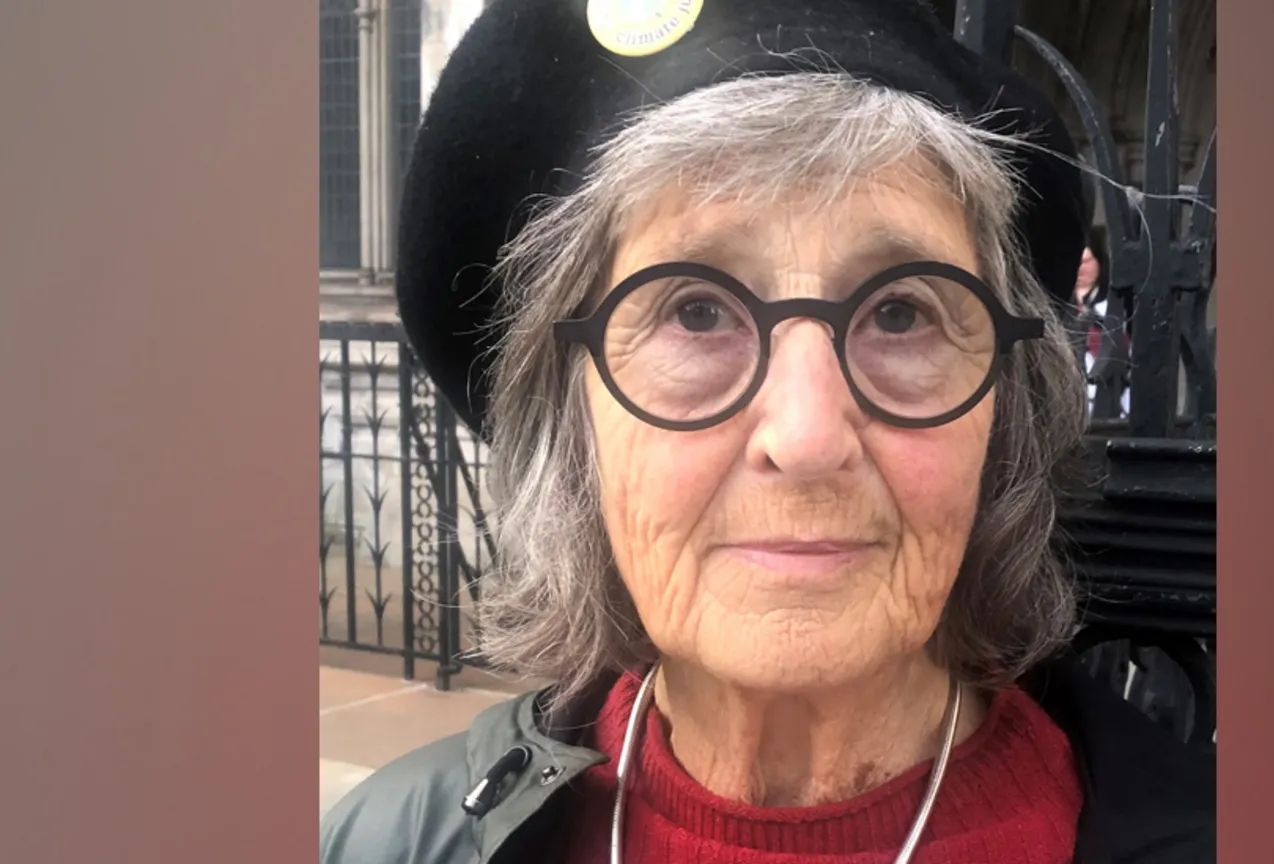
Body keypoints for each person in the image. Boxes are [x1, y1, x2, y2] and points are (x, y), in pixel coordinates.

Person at [321, 1, 1214, 862]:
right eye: (698, 312)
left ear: (1002, 417)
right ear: (573, 418)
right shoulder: (391, 842)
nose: (808, 435)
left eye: (901, 315)